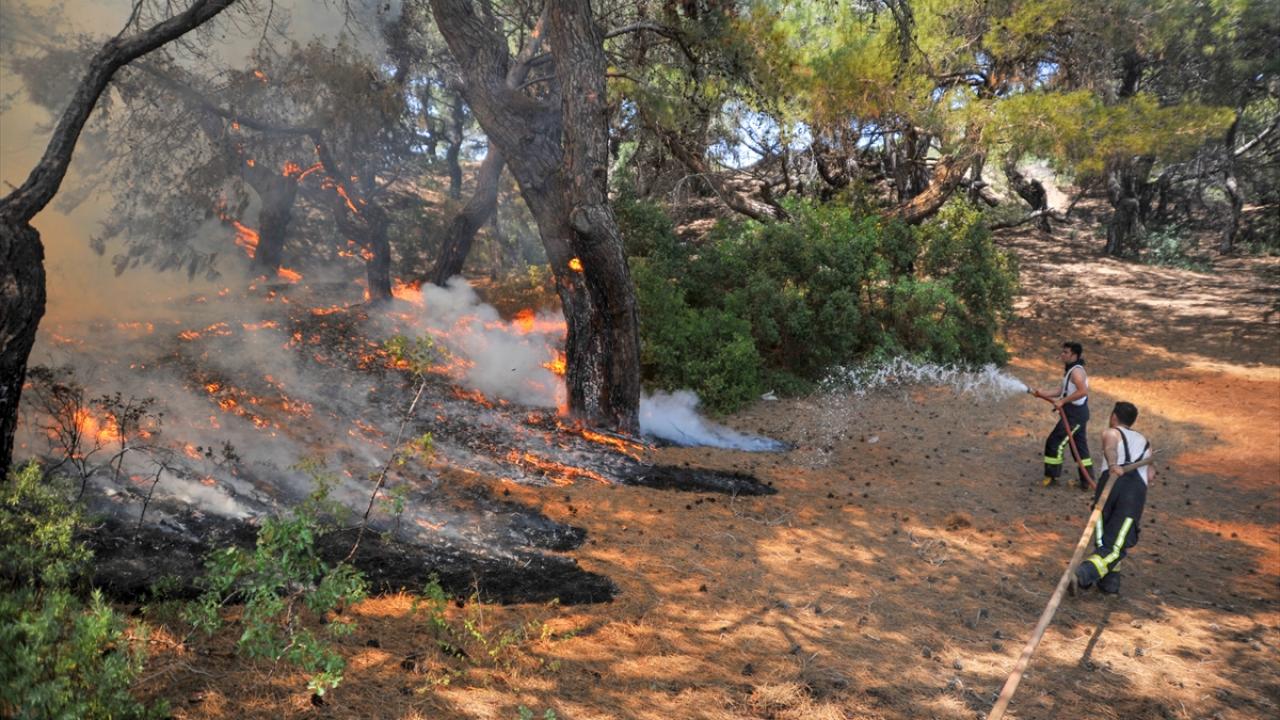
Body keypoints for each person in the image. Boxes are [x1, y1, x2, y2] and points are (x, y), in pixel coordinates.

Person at [1073, 401, 1154, 595]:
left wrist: (1113, 465)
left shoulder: (1111, 432)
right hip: (1133, 491)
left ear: (1114, 417)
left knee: (1105, 537)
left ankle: (1102, 580)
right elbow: (1151, 475)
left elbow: (1110, 449)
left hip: (1110, 482)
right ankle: (1090, 575)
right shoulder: (1145, 442)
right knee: (1117, 539)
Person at [1030, 341, 1093, 488]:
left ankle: (1052, 478)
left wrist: (1063, 401)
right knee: (1079, 448)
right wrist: (1042, 393)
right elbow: (1061, 390)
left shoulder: (1076, 372)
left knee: (1054, 442)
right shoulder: (1071, 370)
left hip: (1075, 416)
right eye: (1062, 351)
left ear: (1074, 355)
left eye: (1066, 352)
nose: (1062, 355)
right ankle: (1087, 482)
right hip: (1076, 413)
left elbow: (1083, 391)